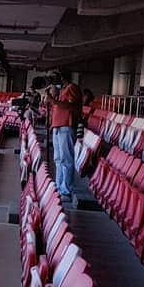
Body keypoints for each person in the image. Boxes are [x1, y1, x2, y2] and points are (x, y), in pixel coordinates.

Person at [46, 73, 82, 203]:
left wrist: (54, 100)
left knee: (66, 159)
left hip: (66, 125)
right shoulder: (60, 91)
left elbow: (71, 106)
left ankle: (66, 189)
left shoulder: (72, 88)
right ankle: (59, 186)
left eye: (56, 78)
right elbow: (57, 106)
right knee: (58, 159)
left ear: (63, 77)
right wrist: (52, 97)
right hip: (57, 126)